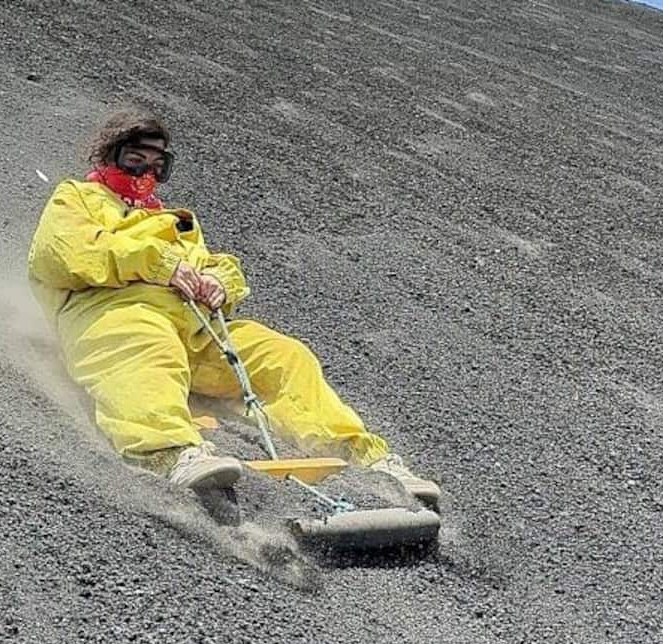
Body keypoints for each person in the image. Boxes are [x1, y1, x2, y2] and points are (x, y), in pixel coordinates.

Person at [26, 105, 439, 504]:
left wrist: (219, 282)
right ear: (109, 155)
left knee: (284, 356)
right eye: (135, 159)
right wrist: (160, 264)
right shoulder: (76, 198)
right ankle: (167, 451)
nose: (146, 174)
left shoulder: (175, 221)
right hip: (114, 312)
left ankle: (363, 455)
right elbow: (65, 251)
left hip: (196, 326)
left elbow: (214, 264)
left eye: (158, 166)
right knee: (147, 348)